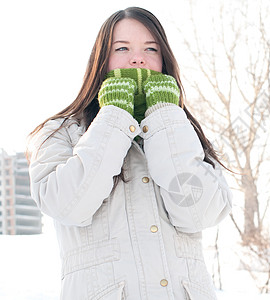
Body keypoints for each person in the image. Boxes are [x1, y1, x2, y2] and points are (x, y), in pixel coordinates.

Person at [27, 7, 232, 300]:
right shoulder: (60, 132)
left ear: (164, 61)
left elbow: (200, 214)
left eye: (151, 48)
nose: (138, 58)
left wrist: (163, 115)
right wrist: (115, 115)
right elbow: (67, 205)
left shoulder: (184, 132)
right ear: (101, 60)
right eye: (122, 48)